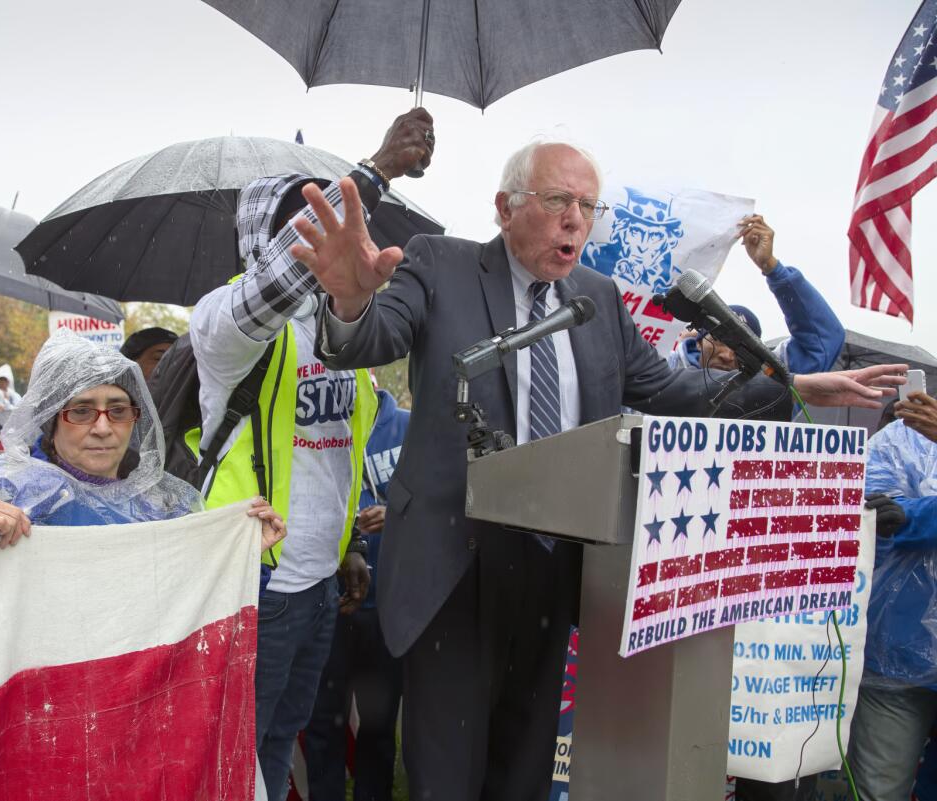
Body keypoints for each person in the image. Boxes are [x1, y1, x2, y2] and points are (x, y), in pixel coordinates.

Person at [282, 135, 904, 800]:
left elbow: (672, 393)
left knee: (521, 772)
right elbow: (374, 336)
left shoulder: (598, 298)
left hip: (556, 568)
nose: (575, 218)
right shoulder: (442, 264)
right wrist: (349, 302)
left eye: (587, 205)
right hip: (453, 567)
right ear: (505, 207)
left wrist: (800, 386)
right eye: (557, 200)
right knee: (448, 779)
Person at [187, 108, 432, 801]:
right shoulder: (225, 322)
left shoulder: (341, 332)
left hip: (318, 583)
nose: (325, 238)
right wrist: (375, 172)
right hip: (251, 583)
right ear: (262, 241)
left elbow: (333, 458)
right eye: (305, 222)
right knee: (240, 747)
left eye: (330, 219)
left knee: (278, 738)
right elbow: (273, 286)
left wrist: (347, 543)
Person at [0, 331, 286, 652]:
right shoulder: (10, 491)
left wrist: (244, 557)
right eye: (82, 411)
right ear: (50, 418)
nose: (103, 428)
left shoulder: (166, 504)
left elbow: (204, 616)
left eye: (118, 410)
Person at [304, 385, 408, 801]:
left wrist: (398, 514)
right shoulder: (314, 427)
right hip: (327, 602)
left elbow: (439, 502)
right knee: (322, 722)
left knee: (379, 724)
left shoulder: (409, 428)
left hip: (387, 605)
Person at [848, 390, 937, 801]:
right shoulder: (899, 439)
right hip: (897, 657)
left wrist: (914, 519)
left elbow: (899, 520)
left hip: (896, 651)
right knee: (879, 791)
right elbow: (875, 516)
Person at [668, 215, 845, 376]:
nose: (728, 356)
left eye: (743, 347)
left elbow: (825, 339)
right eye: (720, 340)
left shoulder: (772, 382)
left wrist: (771, 267)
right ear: (699, 342)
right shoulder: (662, 372)